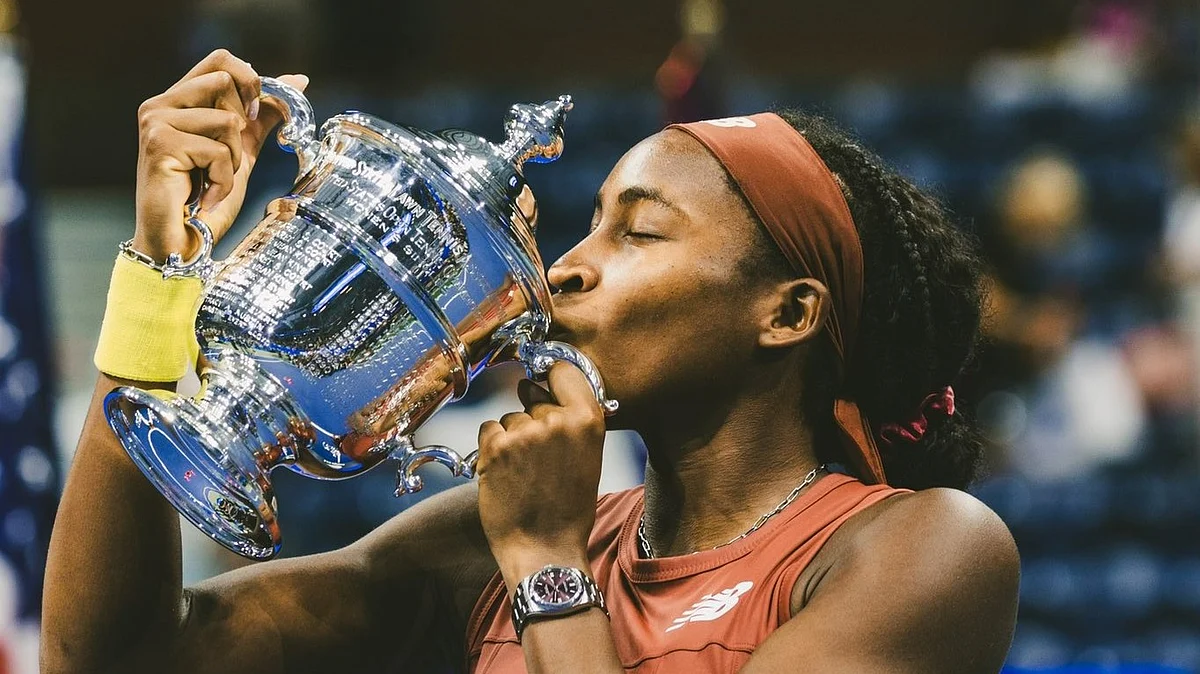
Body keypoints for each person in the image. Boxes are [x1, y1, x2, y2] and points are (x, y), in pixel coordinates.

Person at [42, 50, 1020, 673]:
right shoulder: (492, 536)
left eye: (638, 232)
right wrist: (163, 274)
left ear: (788, 311)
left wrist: (549, 564)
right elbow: (115, 655)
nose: (567, 268)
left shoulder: (921, 547)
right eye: (586, 226)